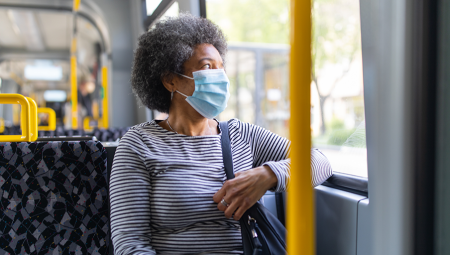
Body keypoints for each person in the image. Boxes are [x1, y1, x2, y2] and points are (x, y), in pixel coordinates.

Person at [109, 14, 333, 254]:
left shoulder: (241, 135)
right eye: (207, 67)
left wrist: (267, 174)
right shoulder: (138, 144)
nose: (220, 78)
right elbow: (130, 243)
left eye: (221, 68)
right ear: (170, 80)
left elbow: (320, 162)